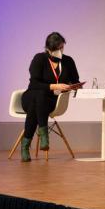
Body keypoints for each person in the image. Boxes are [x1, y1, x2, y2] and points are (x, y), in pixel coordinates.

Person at [20, 32, 83, 162]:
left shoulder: (68, 61)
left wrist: (73, 86)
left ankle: (25, 146)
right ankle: (43, 136)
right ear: (48, 49)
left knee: (37, 104)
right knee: (39, 95)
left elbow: (75, 79)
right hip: (30, 96)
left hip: (52, 101)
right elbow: (34, 83)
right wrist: (55, 86)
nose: (60, 51)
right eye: (56, 49)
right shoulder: (39, 58)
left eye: (62, 48)